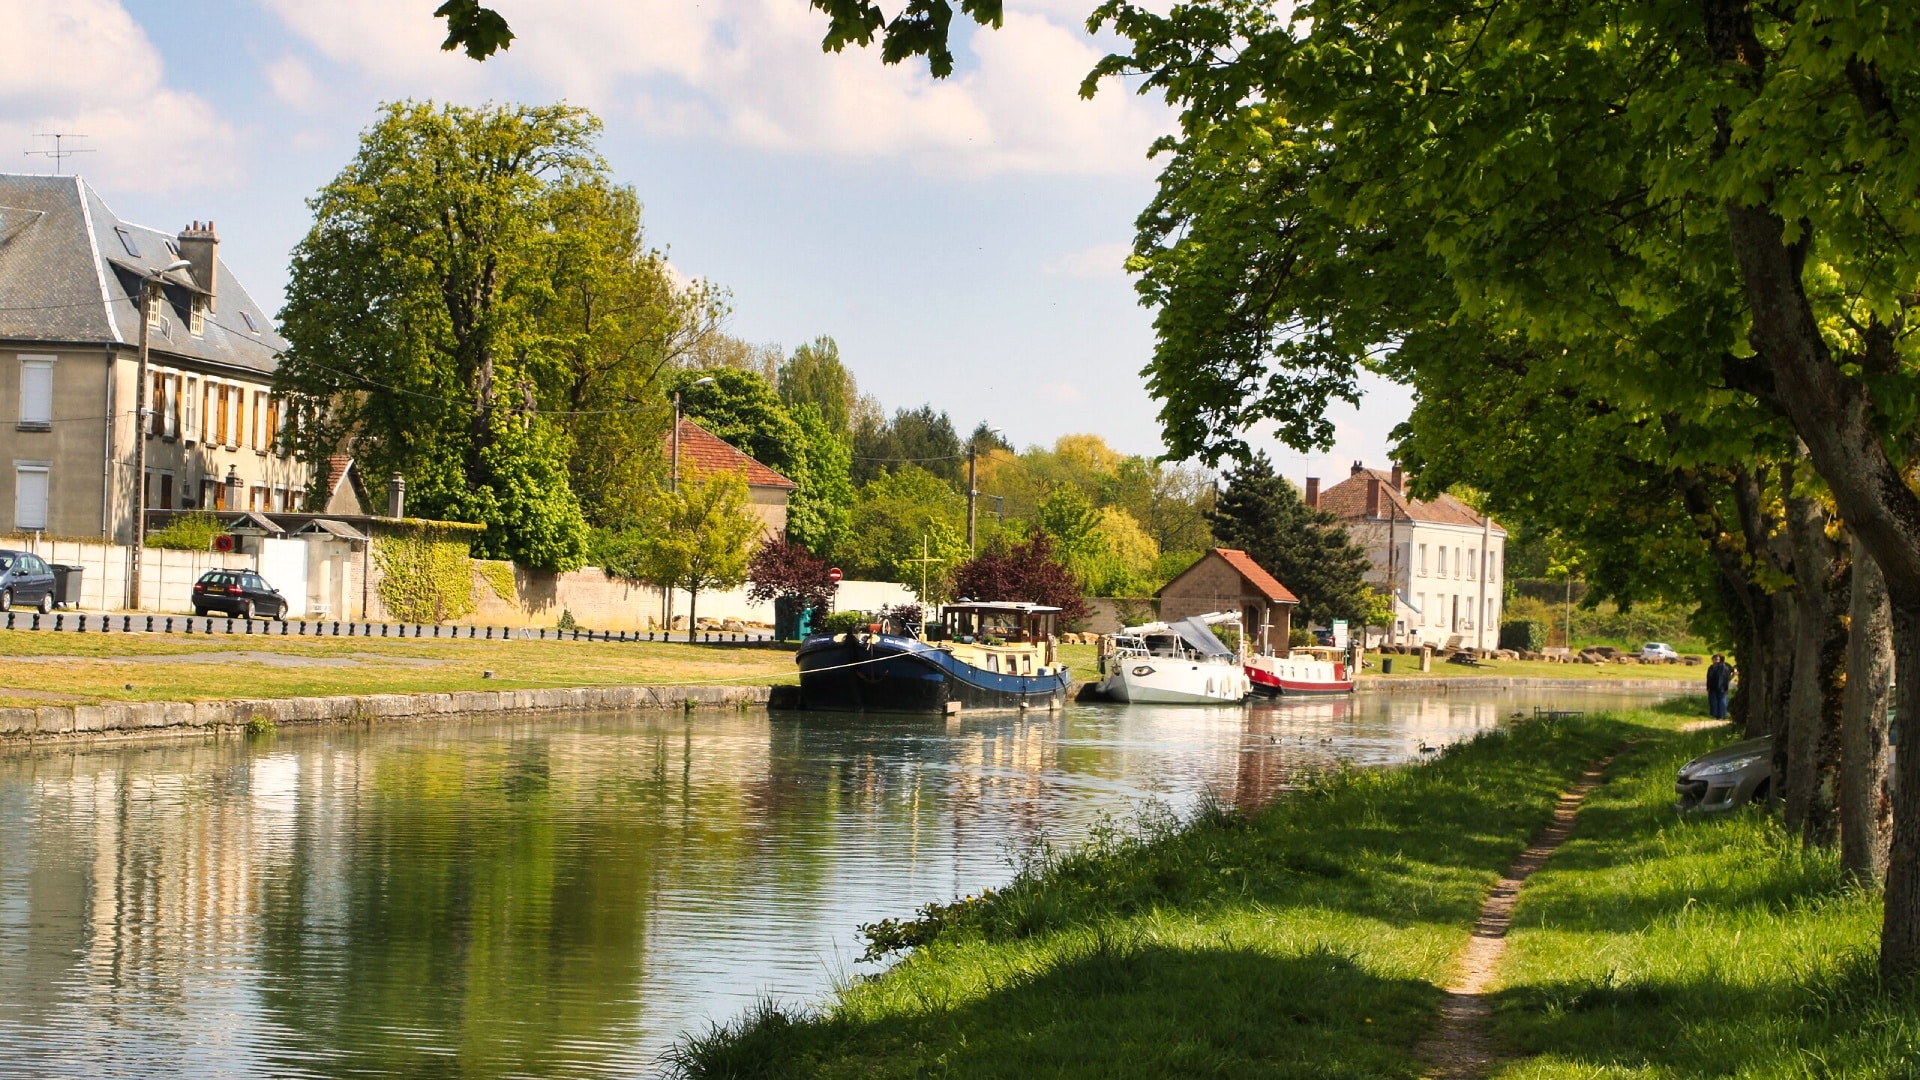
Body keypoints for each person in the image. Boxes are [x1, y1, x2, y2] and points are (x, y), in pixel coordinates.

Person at [1706, 653, 1735, 720]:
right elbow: (1734, 672)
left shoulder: (1713, 667)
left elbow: (1709, 677)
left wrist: (1708, 686)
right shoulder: (1727, 666)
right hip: (1724, 686)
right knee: (1723, 700)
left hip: (1713, 686)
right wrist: (1729, 679)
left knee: (1713, 701)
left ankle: (1714, 715)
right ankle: (1722, 715)